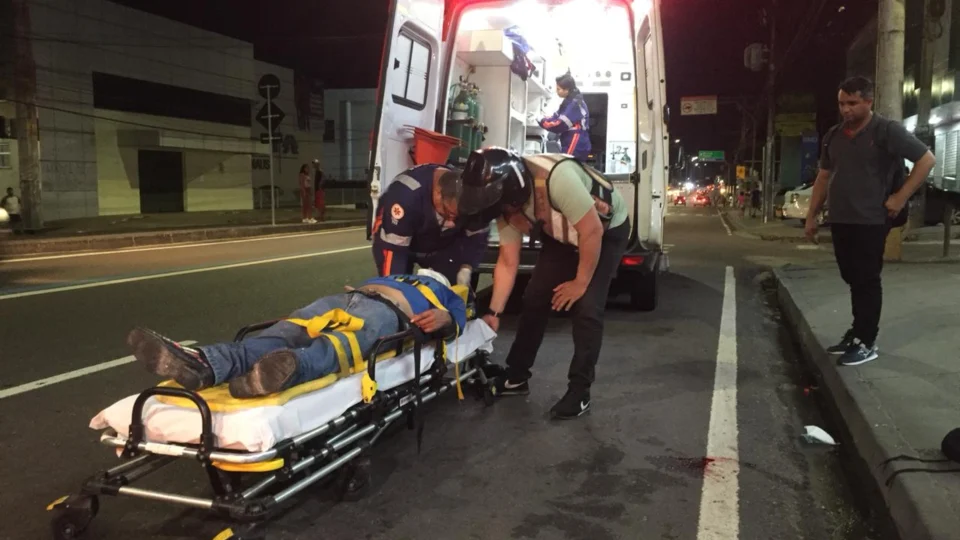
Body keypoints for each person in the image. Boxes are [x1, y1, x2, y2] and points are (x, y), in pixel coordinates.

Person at [458, 147, 630, 419]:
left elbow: (592, 231)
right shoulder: (505, 207)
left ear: (512, 193)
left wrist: (580, 282)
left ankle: (580, 392)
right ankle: (516, 376)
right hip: (562, 235)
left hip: (604, 232)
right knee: (534, 297)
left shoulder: (556, 179)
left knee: (587, 308)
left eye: (502, 207)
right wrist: (494, 312)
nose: (502, 213)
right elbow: (508, 262)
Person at [127, 269, 467, 399]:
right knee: (287, 329)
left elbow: (459, 319)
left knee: (338, 346)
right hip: (353, 297)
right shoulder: (400, 275)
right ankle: (203, 364)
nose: (425, 274)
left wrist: (446, 319)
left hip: (389, 313)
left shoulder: (445, 291)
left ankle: (282, 372)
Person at [805, 76, 935, 366]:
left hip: (872, 219)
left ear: (868, 101)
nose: (846, 109)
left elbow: (926, 160)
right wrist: (811, 215)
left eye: (852, 103)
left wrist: (901, 197)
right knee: (851, 276)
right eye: (841, 103)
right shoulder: (834, 136)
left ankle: (867, 340)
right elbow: (824, 176)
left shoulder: (886, 131)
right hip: (841, 218)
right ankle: (856, 332)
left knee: (866, 279)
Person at [372, 163, 489, 286]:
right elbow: (394, 252)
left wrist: (466, 266)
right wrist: (395, 287)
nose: (452, 223)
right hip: (397, 241)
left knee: (453, 291)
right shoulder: (405, 197)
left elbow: (477, 237)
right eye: (450, 214)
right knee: (397, 288)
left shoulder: (472, 196)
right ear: (438, 194)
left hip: (440, 244)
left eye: (459, 217)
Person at [538, 73, 591, 161]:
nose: (556, 91)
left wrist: (542, 121)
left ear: (567, 90)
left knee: (568, 165)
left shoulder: (575, 104)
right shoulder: (568, 102)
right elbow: (556, 117)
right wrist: (543, 119)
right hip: (572, 139)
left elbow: (560, 124)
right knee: (569, 168)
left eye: (558, 89)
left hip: (576, 140)